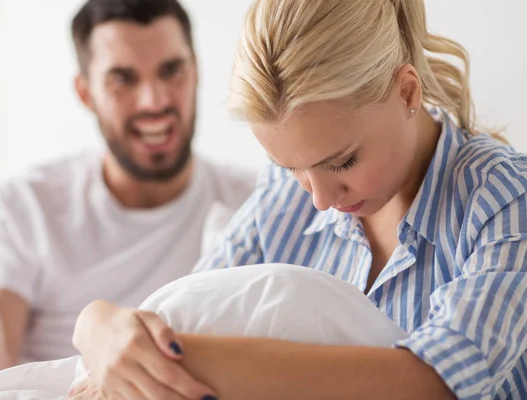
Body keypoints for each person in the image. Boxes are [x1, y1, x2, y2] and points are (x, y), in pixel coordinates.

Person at [69, 0, 527, 399]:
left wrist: (179, 361)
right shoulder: (281, 196)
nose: (321, 200)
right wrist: (97, 324)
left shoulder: (505, 202)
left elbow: (435, 385)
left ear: (406, 91)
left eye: (343, 161)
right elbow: (190, 304)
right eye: (292, 166)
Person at [0, 0, 255, 393]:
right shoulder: (28, 207)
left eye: (172, 71)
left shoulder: (254, 202)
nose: (154, 100)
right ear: (86, 93)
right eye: (123, 79)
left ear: (197, 71)